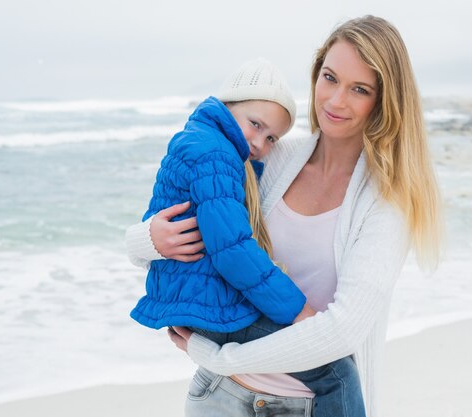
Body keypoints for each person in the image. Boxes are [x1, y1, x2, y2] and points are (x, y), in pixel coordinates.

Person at [127, 15, 442, 417]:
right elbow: (203, 226)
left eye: (359, 89)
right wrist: (148, 239)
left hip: (302, 406)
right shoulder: (271, 158)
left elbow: (341, 331)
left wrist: (219, 355)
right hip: (216, 397)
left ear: (383, 102)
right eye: (329, 78)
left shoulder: (386, 203)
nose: (335, 100)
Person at [128, 58, 366, 417]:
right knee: (337, 373)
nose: (259, 142)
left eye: (272, 137)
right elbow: (234, 251)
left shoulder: (208, 146)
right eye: (255, 124)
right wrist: (297, 309)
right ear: (228, 106)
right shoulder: (215, 155)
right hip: (206, 305)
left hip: (199, 300)